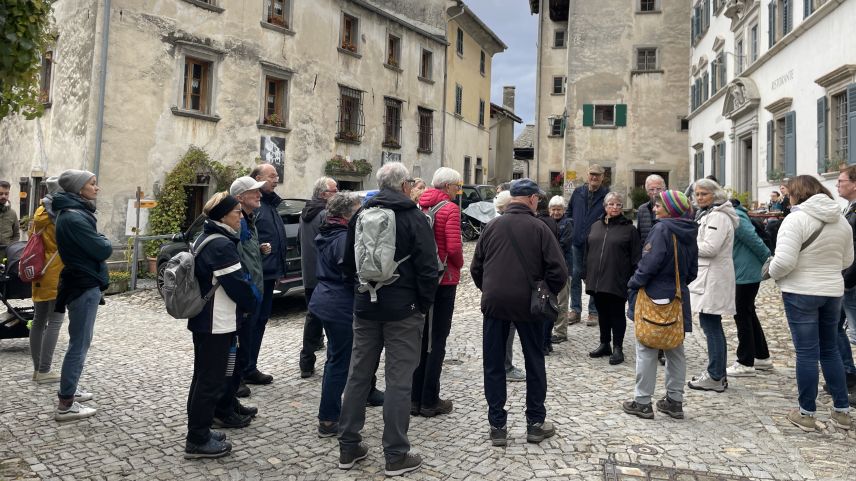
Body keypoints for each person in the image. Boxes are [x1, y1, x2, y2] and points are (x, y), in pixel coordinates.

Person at [337, 162, 439, 477]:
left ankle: (348, 447)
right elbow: (428, 268)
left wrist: (359, 295)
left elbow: (347, 264)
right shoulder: (414, 217)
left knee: (357, 376)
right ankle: (396, 455)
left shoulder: (359, 215)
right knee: (398, 382)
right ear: (404, 185)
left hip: (365, 306)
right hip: (403, 310)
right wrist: (422, 305)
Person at [471, 178, 567, 447]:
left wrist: (491, 289)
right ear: (533, 199)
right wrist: (544, 292)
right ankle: (535, 423)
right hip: (530, 305)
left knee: (493, 364)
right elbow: (559, 272)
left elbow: (476, 268)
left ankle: (497, 425)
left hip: (495, 304)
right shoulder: (540, 227)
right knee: (535, 361)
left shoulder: (491, 226)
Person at [768, 175, 853, 431]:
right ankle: (842, 411)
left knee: (806, 353)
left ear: (797, 194)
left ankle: (806, 412)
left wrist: (771, 271)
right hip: (832, 290)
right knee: (830, 349)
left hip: (801, 290)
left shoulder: (796, 219)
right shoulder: (841, 221)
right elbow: (847, 260)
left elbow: (783, 262)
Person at [184, 192, 258, 459]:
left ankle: (200, 429)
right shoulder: (220, 245)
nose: (240, 217)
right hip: (216, 320)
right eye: (237, 212)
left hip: (208, 320)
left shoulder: (207, 237)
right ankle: (197, 438)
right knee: (210, 380)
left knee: (203, 377)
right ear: (223, 216)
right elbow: (238, 285)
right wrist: (252, 303)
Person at [622, 190, 698, 420]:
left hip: (655, 294)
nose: (654, 209)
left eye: (659, 206)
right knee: (675, 349)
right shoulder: (689, 230)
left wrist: (633, 283)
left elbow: (649, 263)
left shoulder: (662, 229)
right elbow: (693, 270)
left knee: (646, 348)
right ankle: (674, 401)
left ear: (670, 209)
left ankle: (642, 401)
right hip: (678, 295)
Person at [51, 170, 113, 421]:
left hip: (82, 281)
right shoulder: (74, 218)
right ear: (79, 189)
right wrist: (102, 240)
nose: (97, 188)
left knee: (79, 341)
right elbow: (103, 248)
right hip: (83, 283)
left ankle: (71, 389)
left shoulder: (74, 213)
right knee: (79, 344)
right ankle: (66, 403)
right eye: (92, 184)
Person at [211, 176, 267, 429]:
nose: (260, 195)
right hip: (240, 296)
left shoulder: (248, 220)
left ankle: (230, 401)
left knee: (240, 350)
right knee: (231, 355)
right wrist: (248, 293)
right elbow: (237, 261)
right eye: (254, 192)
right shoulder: (235, 224)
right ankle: (224, 406)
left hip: (250, 290)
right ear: (240, 197)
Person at [411, 167, 464, 417]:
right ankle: (430, 400)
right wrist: (460, 264)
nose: (458, 190)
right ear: (447, 187)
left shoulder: (419, 205)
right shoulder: (449, 209)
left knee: (420, 340)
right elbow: (453, 247)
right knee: (437, 340)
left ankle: (414, 398)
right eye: (457, 186)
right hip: (443, 280)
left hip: (421, 280)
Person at [312, 192, 362, 437]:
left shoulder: (328, 231)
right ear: (347, 213)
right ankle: (329, 418)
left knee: (336, 358)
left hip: (326, 299)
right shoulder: (342, 237)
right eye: (357, 210)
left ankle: (330, 412)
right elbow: (349, 269)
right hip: (338, 302)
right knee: (339, 362)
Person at [687, 179, 738, 393]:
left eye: (704, 194)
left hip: (714, 279)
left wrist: (686, 244)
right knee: (710, 325)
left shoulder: (718, 216)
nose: (699, 198)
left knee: (711, 326)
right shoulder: (710, 214)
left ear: (714, 195)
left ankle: (716, 375)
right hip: (709, 277)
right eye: (697, 194)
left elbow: (710, 248)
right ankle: (716, 373)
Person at [584, 192, 641, 365]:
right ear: (605, 206)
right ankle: (604, 343)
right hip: (596, 278)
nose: (614, 207)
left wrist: (631, 279)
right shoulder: (595, 226)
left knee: (616, 313)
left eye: (618, 204)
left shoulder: (629, 229)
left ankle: (618, 347)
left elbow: (636, 257)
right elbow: (587, 251)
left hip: (617, 278)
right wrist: (585, 274)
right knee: (602, 312)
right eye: (611, 204)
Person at [245, 163, 287, 392]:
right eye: (272, 176)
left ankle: (250, 366)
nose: (276, 178)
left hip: (269, 273)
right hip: (256, 275)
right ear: (258, 178)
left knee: (260, 322)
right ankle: (242, 370)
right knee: (250, 323)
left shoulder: (269, 204)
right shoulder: (254, 205)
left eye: (277, 175)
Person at [726, 198, 773, 377]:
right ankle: (762, 356)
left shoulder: (736, 215)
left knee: (742, 314)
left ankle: (745, 361)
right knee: (748, 312)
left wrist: (767, 260)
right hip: (743, 271)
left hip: (746, 273)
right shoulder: (734, 214)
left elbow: (753, 240)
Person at [298, 176, 338, 379]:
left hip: (309, 273)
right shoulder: (324, 214)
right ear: (324, 195)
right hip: (324, 274)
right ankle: (333, 360)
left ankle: (306, 361)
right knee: (330, 318)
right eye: (334, 190)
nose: (337, 193)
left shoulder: (305, 212)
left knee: (312, 317)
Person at [28, 177, 65, 383]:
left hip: (38, 270)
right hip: (55, 271)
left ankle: (37, 369)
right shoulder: (57, 214)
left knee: (39, 320)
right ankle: (45, 370)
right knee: (56, 320)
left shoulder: (39, 211)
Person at [566, 164, 609, 326]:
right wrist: (572, 227)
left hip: (596, 244)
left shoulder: (606, 195)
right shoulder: (578, 193)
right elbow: (569, 212)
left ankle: (593, 312)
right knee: (575, 275)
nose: (594, 177)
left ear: (602, 177)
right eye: (592, 174)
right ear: (587, 175)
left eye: (597, 175)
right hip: (576, 243)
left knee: (594, 277)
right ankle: (575, 310)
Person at [493, 190, 526, 382]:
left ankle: (500, 365)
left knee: (499, 329)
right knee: (509, 328)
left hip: (496, 289)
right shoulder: (512, 226)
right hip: (511, 288)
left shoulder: (493, 225)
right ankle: (505, 366)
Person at [838, 167, 856, 390]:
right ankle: (847, 372)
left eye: (841, 181)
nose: (838, 184)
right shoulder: (848, 208)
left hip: (851, 280)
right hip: (845, 278)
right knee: (835, 327)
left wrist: (848, 280)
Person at [549, 195, 574, 343]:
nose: (556, 212)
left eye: (559, 209)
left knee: (562, 301)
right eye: (554, 209)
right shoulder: (547, 222)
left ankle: (560, 332)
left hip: (563, 267)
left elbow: (563, 245)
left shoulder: (567, 224)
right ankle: (551, 328)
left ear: (564, 210)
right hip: (550, 267)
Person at [0, 179, 20, 260]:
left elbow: (16, 235)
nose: (3, 196)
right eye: (0, 194)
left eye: (6, 194)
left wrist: (11, 249)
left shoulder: (12, 213)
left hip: (6, 255)